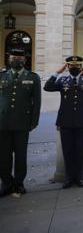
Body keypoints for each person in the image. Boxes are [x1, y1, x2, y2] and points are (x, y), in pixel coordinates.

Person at [44, 56, 83, 188]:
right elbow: (47, 87)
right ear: (68, 67)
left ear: (80, 67)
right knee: (67, 150)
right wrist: (58, 72)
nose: (74, 68)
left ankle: (78, 177)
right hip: (65, 121)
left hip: (81, 121)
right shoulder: (62, 80)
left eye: (76, 66)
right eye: (71, 66)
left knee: (80, 150)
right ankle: (68, 177)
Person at [0, 49, 41, 197]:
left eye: (19, 58)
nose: (16, 60)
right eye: (13, 57)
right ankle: (6, 183)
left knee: (21, 155)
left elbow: (37, 102)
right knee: (3, 156)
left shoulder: (33, 77)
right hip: (2, 123)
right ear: (9, 59)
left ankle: (18, 184)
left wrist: (34, 121)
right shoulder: (2, 76)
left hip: (22, 123)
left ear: (24, 60)